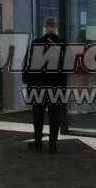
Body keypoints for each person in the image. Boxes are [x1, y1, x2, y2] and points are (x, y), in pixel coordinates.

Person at [23, 18, 66, 153]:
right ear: (55, 28)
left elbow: (28, 66)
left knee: (38, 115)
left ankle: (38, 142)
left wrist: (28, 83)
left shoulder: (36, 43)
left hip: (38, 86)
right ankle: (53, 146)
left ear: (45, 27)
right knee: (55, 116)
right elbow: (66, 69)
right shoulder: (62, 44)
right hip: (56, 87)